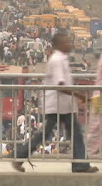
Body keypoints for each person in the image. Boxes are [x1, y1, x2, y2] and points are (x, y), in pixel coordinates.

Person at [10, 32, 99, 173]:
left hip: (63, 106)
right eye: (66, 41)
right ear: (59, 45)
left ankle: (80, 164)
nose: (69, 44)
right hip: (56, 105)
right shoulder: (57, 60)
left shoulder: (62, 59)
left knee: (74, 134)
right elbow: (60, 85)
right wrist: (80, 95)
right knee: (49, 135)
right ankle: (19, 155)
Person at [87, 54, 102, 156]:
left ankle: (89, 151)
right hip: (99, 96)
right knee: (96, 125)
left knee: (95, 125)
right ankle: (89, 151)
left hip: (98, 95)